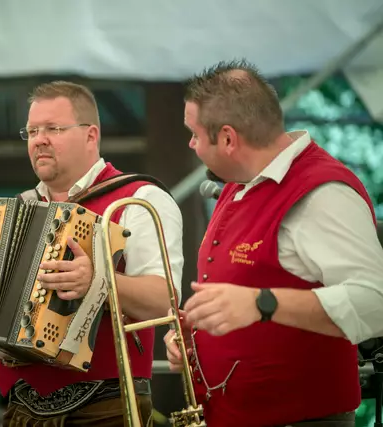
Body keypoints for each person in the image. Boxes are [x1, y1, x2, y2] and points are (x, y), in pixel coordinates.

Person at [164, 59, 383, 427]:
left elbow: (375, 301)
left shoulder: (323, 193)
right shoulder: (242, 181)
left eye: (195, 134)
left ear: (228, 139)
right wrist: (199, 338)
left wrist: (263, 303)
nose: (191, 144)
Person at [0, 80, 185, 425]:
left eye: (54, 128)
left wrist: (97, 281)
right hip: (22, 407)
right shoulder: (23, 206)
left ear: (91, 135)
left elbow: (165, 300)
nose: (39, 139)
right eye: (32, 131)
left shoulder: (140, 199)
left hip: (107, 406)